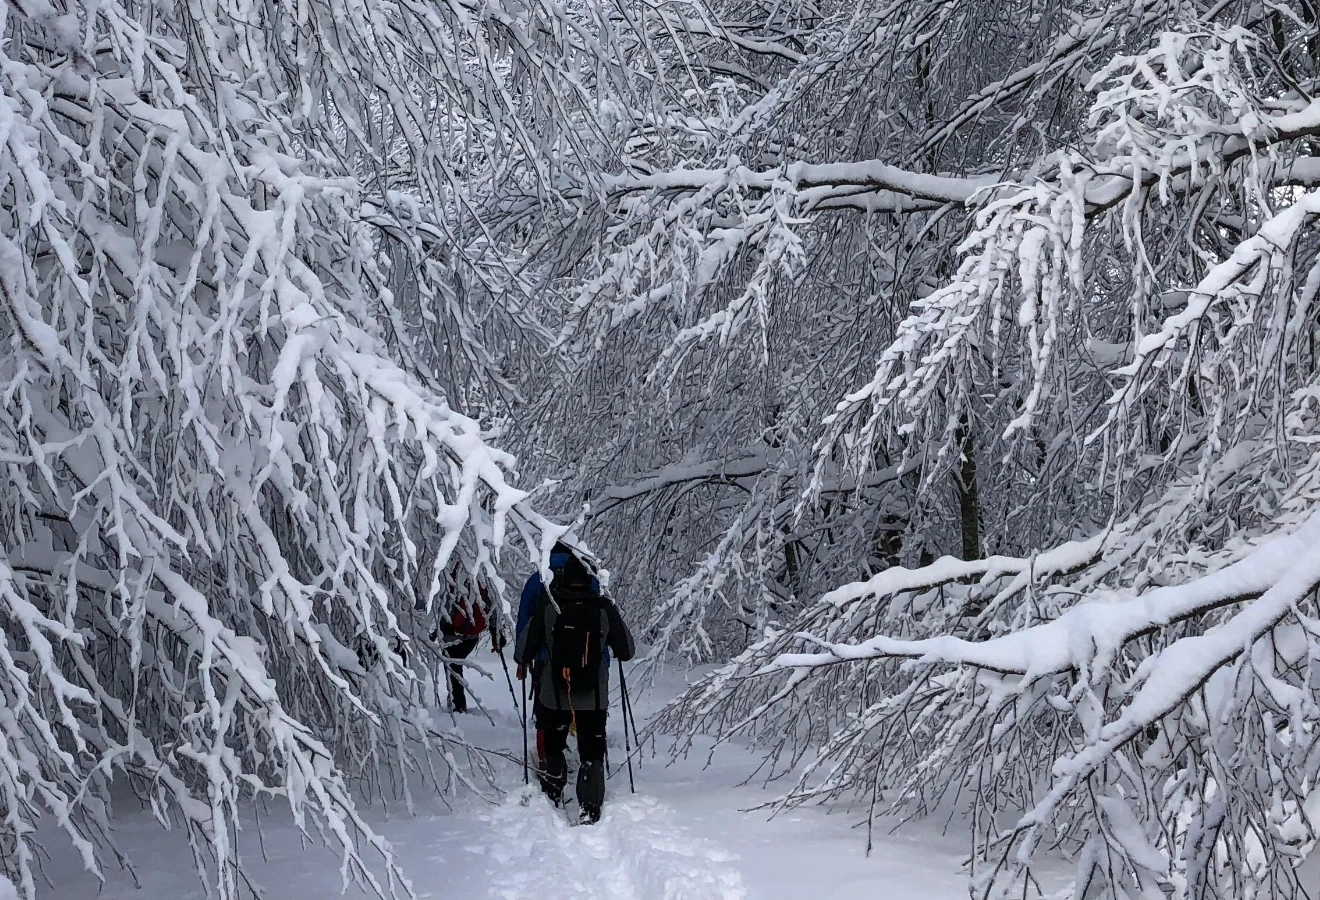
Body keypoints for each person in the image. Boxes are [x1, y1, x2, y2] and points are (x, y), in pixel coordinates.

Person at [515, 550, 634, 824]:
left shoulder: (549, 605)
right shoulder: (603, 608)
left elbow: (522, 650)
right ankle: (590, 807)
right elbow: (627, 650)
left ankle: (553, 796)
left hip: (554, 691)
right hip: (593, 694)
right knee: (592, 750)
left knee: (554, 746)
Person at [515, 542, 593, 777]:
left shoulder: (537, 579)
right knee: (579, 702)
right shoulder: (588, 578)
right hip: (584, 658)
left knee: (545, 708)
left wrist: (523, 658)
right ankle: (585, 757)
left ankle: (546, 757)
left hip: (545, 657)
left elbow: (525, 621)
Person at [432, 561, 503, 713]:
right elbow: (492, 609)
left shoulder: (451, 579)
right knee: (456, 666)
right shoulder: (483, 582)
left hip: (451, 633)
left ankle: (457, 705)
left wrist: (436, 630)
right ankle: (457, 703)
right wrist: (496, 633)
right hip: (472, 635)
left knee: (452, 666)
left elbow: (443, 606)